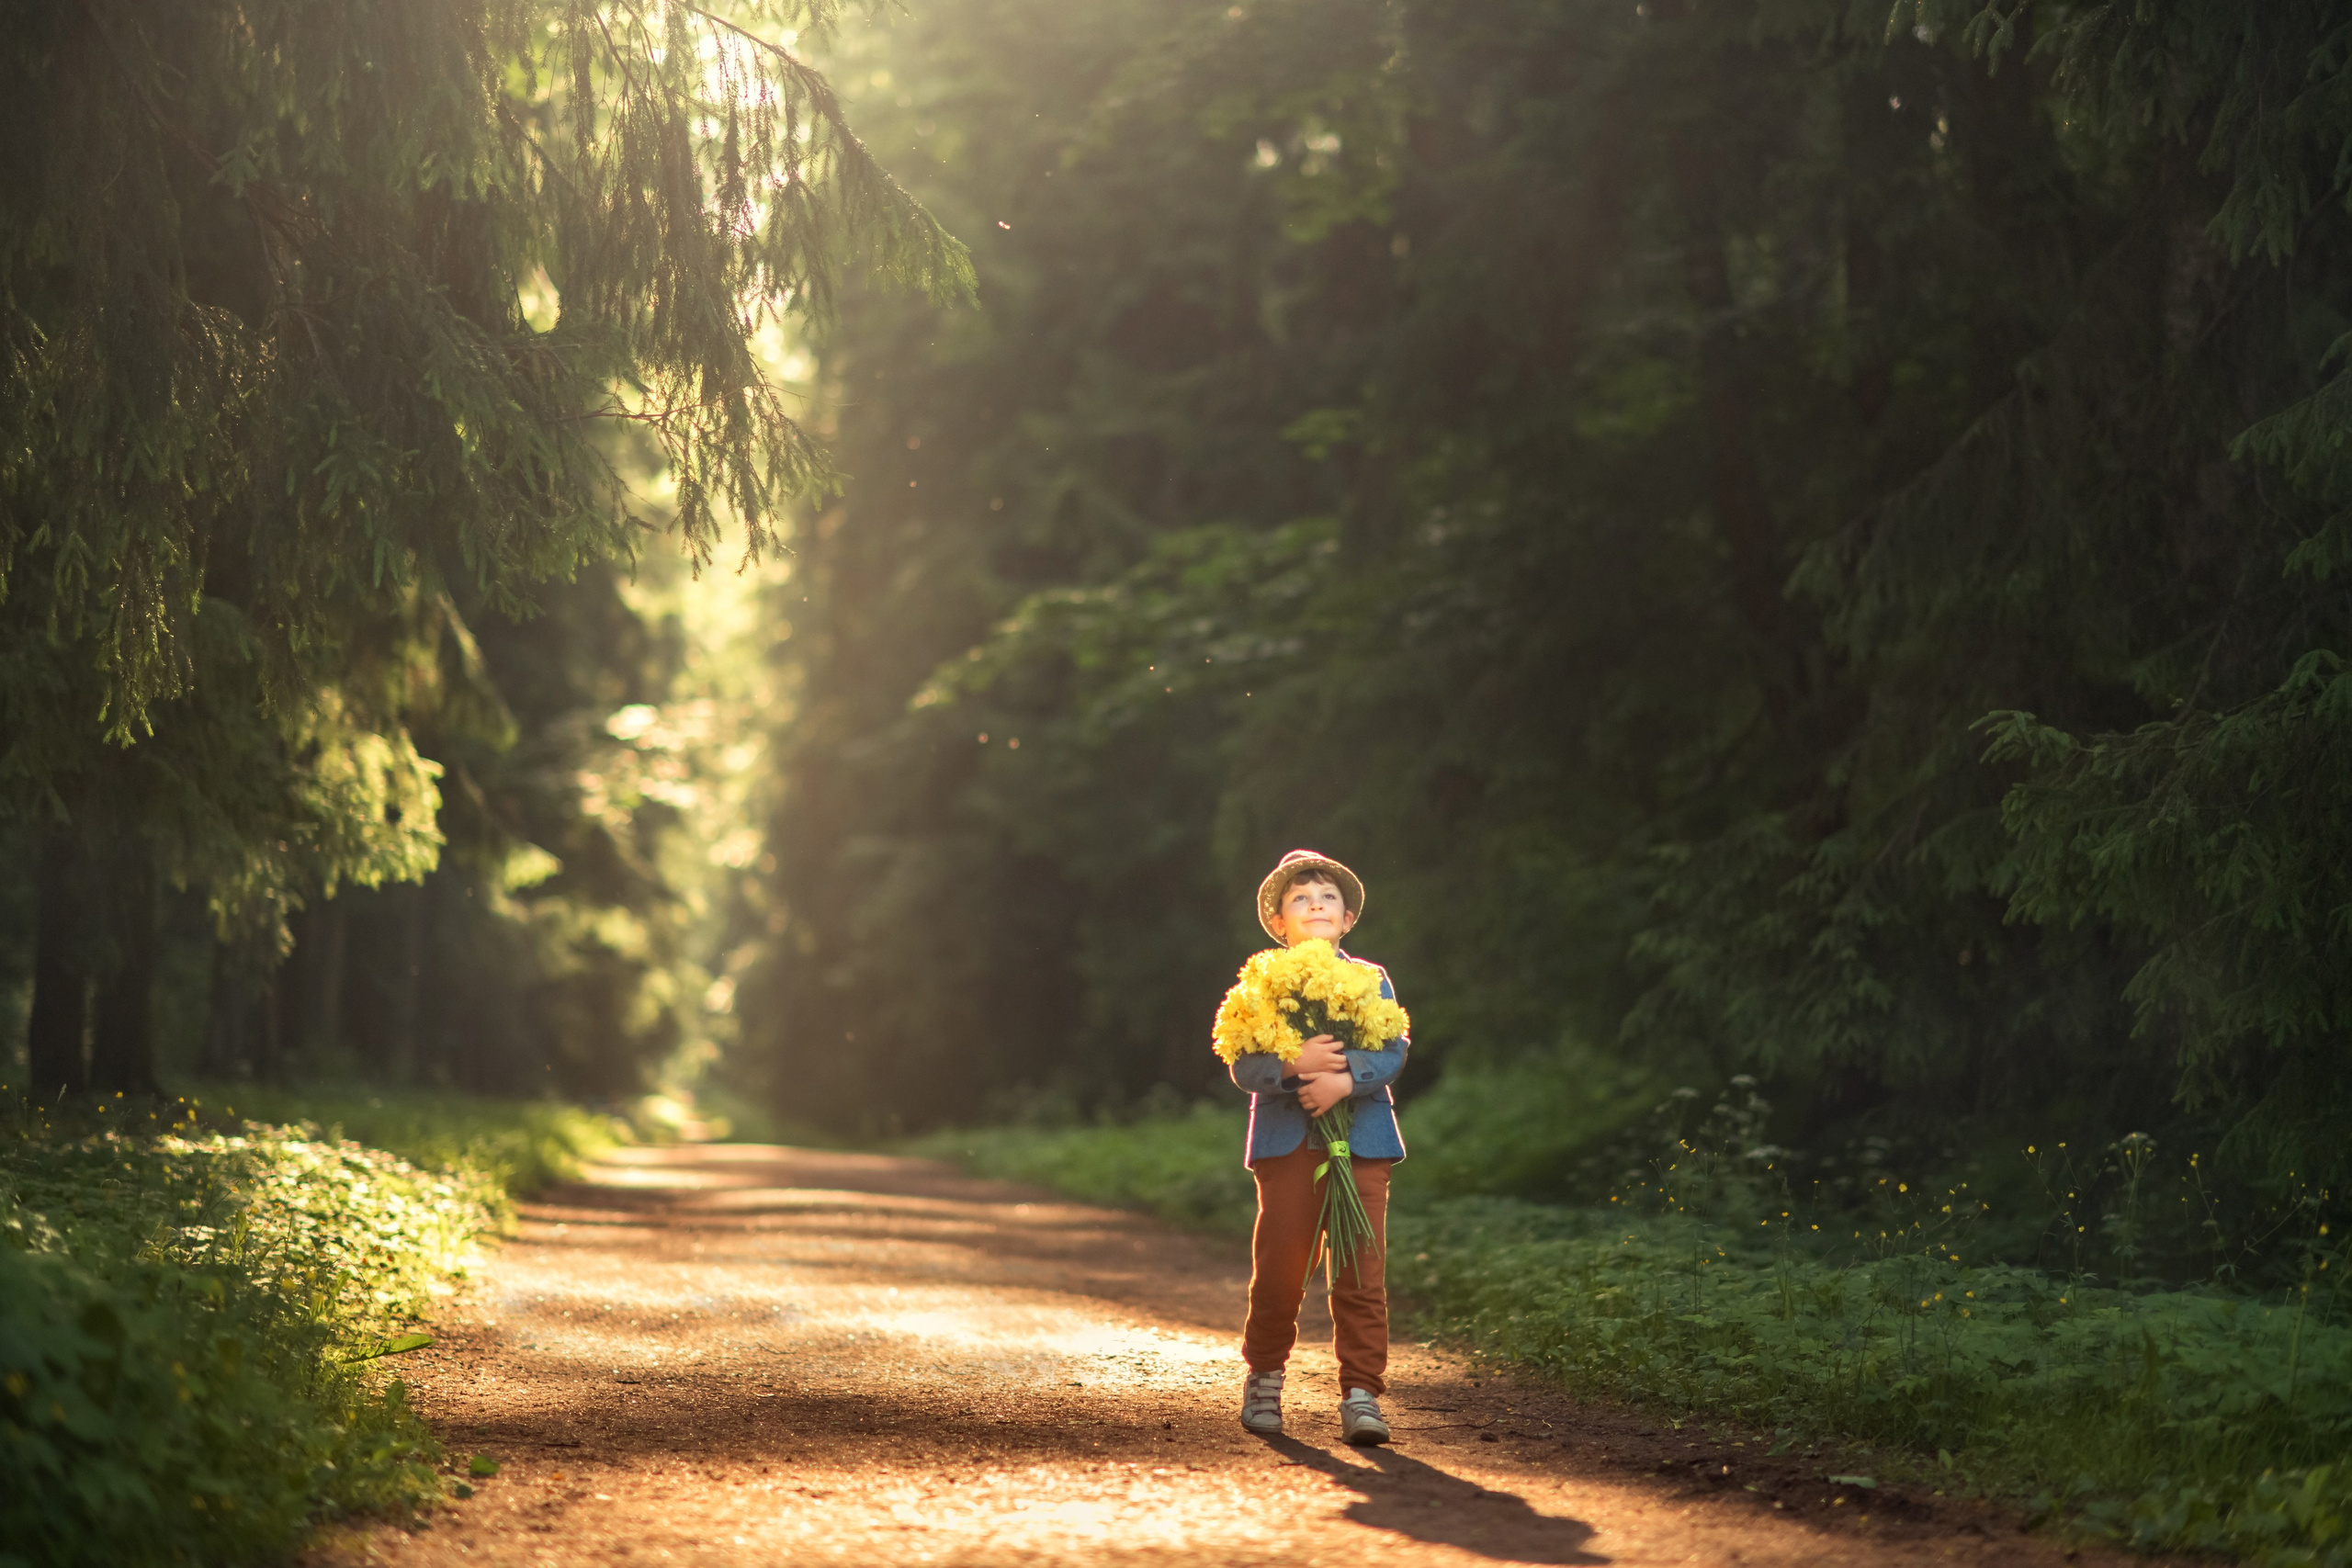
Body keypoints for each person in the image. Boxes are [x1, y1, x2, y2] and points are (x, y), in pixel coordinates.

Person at [1226, 849, 1408, 1445]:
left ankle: (1362, 1392)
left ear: (1348, 917)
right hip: (1287, 1143)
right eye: (1300, 899)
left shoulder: (1371, 976)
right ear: (1279, 922)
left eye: (1327, 897)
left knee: (1361, 1266)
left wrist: (1342, 1077)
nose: (1315, 905)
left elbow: (1393, 1049)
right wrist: (1292, 1064)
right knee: (1281, 1264)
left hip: (1361, 1140)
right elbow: (1243, 1064)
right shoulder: (1263, 981)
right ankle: (1266, 1376)